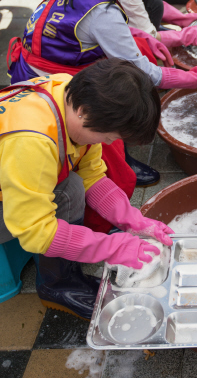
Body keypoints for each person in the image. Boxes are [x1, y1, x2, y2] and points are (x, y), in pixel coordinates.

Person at [7, 0, 197, 227]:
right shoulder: (101, 10)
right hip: (45, 80)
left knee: (137, 63)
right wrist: (192, 78)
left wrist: (147, 37)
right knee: (109, 144)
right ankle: (96, 221)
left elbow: (108, 34)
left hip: (35, 65)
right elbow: (141, 70)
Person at [0, 59, 175, 320]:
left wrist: (132, 220)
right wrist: (111, 247)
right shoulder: (32, 142)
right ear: (83, 111)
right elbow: (35, 232)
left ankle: (63, 269)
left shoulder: (69, 94)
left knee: (74, 184)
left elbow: (92, 175)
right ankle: (56, 285)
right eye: (109, 137)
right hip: (17, 193)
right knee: (69, 190)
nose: (109, 143)